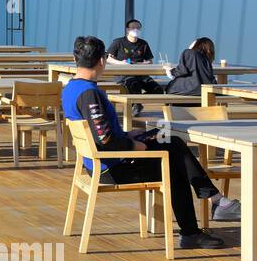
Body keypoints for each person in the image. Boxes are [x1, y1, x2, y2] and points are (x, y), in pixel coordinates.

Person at [62, 35, 240, 246]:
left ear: (75, 59)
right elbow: (105, 138)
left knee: (169, 140)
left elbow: (99, 134)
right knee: (174, 163)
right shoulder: (90, 94)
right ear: (102, 61)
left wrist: (129, 135)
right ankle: (204, 216)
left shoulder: (71, 89)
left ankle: (212, 204)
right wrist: (133, 145)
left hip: (99, 162)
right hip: (111, 167)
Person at [105, 19, 165, 97]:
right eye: (133, 27)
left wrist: (139, 64)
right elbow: (108, 58)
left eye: (138, 28)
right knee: (135, 86)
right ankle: (136, 105)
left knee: (158, 90)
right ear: (127, 29)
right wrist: (121, 63)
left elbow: (149, 61)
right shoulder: (118, 42)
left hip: (141, 75)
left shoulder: (143, 44)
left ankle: (137, 101)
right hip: (124, 75)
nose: (136, 29)